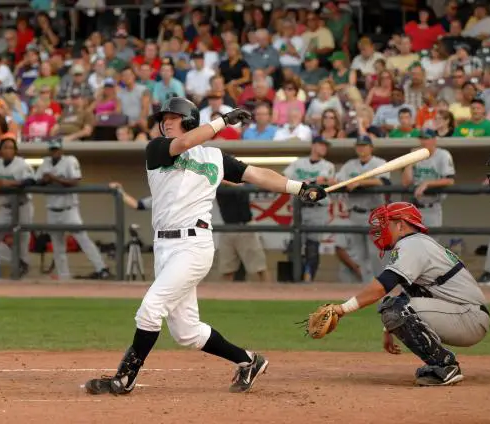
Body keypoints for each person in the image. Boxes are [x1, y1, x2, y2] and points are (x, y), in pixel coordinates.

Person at [84, 97, 326, 395]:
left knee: (150, 308)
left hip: (194, 245)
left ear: (189, 120)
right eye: (165, 118)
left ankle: (125, 378)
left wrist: (299, 188)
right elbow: (183, 144)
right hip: (165, 247)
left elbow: (257, 174)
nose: (166, 122)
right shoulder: (158, 148)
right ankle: (248, 361)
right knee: (186, 332)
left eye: (173, 117)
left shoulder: (214, 157)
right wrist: (223, 120)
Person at [329, 202, 489, 386]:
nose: (381, 229)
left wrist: (342, 309)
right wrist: (388, 328)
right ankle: (440, 364)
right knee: (394, 306)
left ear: (400, 225)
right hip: (462, 314)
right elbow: (409, 294)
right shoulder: (417, 243)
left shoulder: (413, 244)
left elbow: (383, 285)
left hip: (468, 317)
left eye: (386, 223)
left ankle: (445, 366)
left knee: (395, 309)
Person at [35, 140, 111, 280]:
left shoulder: (70, 161)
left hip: (69, 210)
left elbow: (75, 181)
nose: (54, 152)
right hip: (52, 210)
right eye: (52, 150)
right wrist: (45, 180)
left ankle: (101, 268)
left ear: (61, 150)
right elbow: (36, 180)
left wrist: (53, 178)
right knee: (58, 246)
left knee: (83, 239)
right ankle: (64, 276)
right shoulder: (45, 163)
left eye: (56, 149)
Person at [335, 135, 390, 281]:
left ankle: (381, 285)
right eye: (359, 145)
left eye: (365, 145)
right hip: (355, 213)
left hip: (375, 213)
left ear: (371, 148)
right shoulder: (349, 165)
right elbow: (339, 180)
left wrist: (359, 182)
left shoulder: (380, 162)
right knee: (360, 254)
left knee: (376, 253)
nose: (362, 148)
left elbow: (383, 181)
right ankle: (367, 286)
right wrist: (346, 183)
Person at [0, 134, 34, 278]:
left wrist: (7, 183)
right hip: (5, 208)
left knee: (22, 241)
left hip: (23, 206)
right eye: (5, 147)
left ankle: (22, 275)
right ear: (0, 151)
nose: (8, 150)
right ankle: (18, 262)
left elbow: (30, 181)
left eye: (11, 148)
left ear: (15, 151)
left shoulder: (22, 164)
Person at [283, 136, 335, 281]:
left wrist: (301, 183)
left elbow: (321, 181)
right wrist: (307, 183)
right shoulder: (298, 163)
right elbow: (284, 177)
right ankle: (294, 279)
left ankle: (308, 278)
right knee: (294, 246)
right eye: (321, 145)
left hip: (316, 209)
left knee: (312, 247)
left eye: (326, 146)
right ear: (313, 146)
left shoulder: (327, 165)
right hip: (299, 209)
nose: (324, 148)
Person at [401, 129, 455, 229]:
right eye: (421, 139)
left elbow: (450, 180)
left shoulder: (443, 155)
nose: (424, 142)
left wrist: (427, 183)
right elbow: (405, 182)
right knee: (414, 242)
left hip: (432, 207)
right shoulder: (416, 155)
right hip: (414, 207)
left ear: (434, 140)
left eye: (427, 138)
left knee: (431, 242)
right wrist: (410, 160)